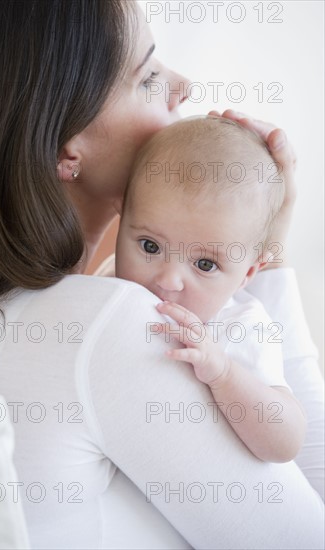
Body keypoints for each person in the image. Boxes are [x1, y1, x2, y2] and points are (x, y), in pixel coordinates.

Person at [0, 1, 323, 549]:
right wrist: (270, 246)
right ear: (67, 145)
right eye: (148, 75)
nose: (183, 85)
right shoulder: (114, 325)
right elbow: (309, 532)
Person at [115, 116, 306, 463]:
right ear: (121, 218)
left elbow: (287, 442)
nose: (168, 280)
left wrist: (224, 373)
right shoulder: (104, 293)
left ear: (248, 273)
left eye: (205, 265)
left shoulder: (239, 326)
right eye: (150, 246)